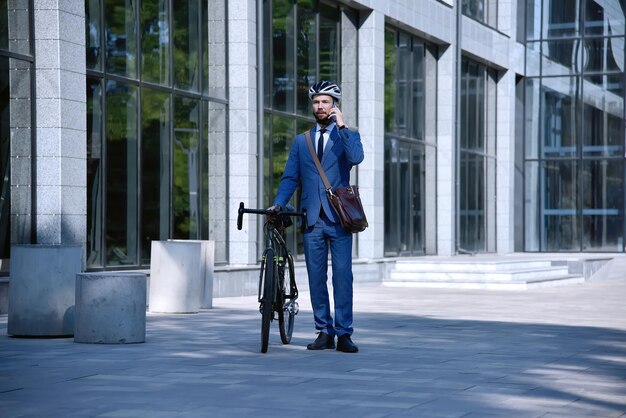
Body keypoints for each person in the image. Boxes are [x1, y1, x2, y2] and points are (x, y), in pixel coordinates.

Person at [269, 80, 364, 353]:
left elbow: (356, 158)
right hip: (311, 219)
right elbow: (290, 177)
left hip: (340, 218)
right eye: (316, 102)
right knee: (316, 276)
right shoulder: (302, 141)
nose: (320, 106)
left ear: (334, 105)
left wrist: (343, 126)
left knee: (343, 276)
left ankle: (344, 332)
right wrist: (278, 203)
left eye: (325, 102)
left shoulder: (347, 136)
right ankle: (324, 330)